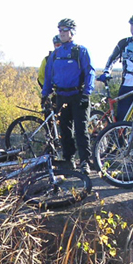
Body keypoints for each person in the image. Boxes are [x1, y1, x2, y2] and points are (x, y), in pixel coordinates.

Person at [41, 18, 95, 174]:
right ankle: (69, 160)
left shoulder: (80, 51)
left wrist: (87, 93)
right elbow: (48, 75)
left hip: (78, 95)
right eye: (60, 30)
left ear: (72, 32)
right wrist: (45, 94)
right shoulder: (56, 54)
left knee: (81, 129)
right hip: (61, 96)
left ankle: (85, 161)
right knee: (64, 130)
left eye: (65, 30)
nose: (62, 33)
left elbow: (90, 71)